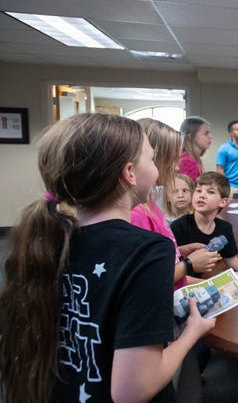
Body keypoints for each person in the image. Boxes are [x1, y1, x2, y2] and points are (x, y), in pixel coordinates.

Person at [0, 113, 216, 403]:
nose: (159, 167)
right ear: (130, 173)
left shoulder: (48, 239)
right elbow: (134, 390)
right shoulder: (147, 251)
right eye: (151, 159)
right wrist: (192, 332)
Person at [131, 118, 220, 289]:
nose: (178, 167)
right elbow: (147, 279)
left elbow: (158, 258)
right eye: (172, 159)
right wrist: (188, 264)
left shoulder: (150, 204)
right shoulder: (137, 214)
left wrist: (178, 251)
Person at [179, 116, 213, 181]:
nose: (211, 137)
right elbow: (187, 190)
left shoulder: (194, 159)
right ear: (190, 136)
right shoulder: (187, 161)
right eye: (206, 133)